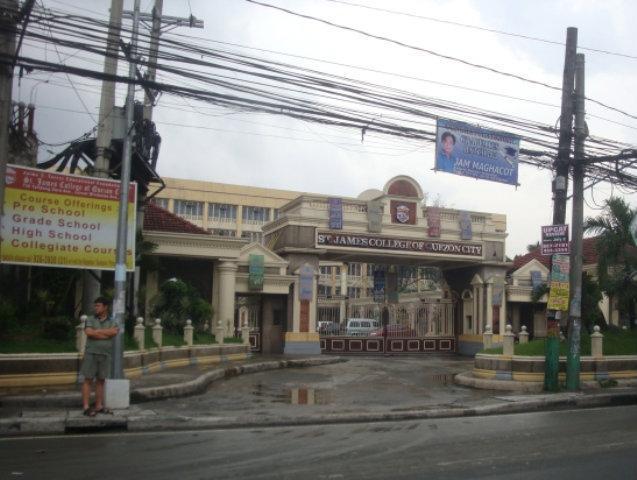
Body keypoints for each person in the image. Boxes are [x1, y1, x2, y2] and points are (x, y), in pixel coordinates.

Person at [80, 296, 119, 416]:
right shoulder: (90, 319)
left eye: (98, 305)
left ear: (105, 307)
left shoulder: (112, 321)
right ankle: (86, 407)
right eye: (95, 305)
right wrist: (104, 333)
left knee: (101, 380)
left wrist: (97, 332)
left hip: (105, 354)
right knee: (88, 379)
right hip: (91, 353)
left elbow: (113, 332)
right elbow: (89, 333)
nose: (95, 308)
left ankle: (98, 406)